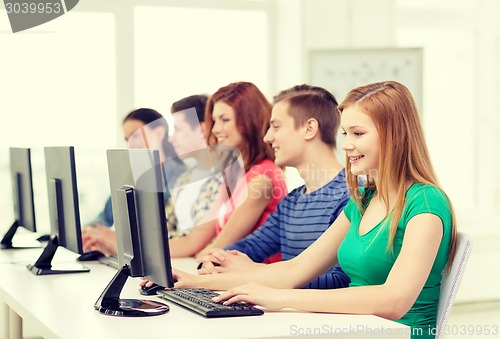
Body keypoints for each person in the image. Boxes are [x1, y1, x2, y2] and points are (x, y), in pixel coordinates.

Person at [168, 81, 458, 339]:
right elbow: (296, 269)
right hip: (352, 327)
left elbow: (394, 300)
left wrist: (280, 297)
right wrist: (196, 281)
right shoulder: (365, 199)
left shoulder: (426, 203)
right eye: (345, 133)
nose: (347, 145)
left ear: (394, 134)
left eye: (357, 133)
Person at [196, 84, 350, 289]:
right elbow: (251, 246)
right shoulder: (292, 201)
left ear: (309, 128)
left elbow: (340, 282)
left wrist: (253, 272)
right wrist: (216, 260)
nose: (267, 137)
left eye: (276, 126)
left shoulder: (350, 198)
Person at [168, 82, 288, 259]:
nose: (216, 129)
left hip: (254, 280)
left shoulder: (262, 179)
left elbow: (218, 248)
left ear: (250, 120)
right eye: (215, 121)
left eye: (225, 120)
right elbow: (195, 241)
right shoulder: (234, 173)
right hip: (231, 276)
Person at [82, 108, 186, 256]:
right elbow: (105, 217)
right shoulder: (133, 177)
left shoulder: (182, 176)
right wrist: (89, 230)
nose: (131, 144)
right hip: (134, 255)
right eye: (127, 139)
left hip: (167, 255)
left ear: (159, 133)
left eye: (135, 136)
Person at [165, 94, 223, 238]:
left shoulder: (224, 180)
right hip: (177, 259)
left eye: (177, 129)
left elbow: (200, 241)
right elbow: (164, 229)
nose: (171, 139)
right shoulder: (184, 179)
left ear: (201, 130)